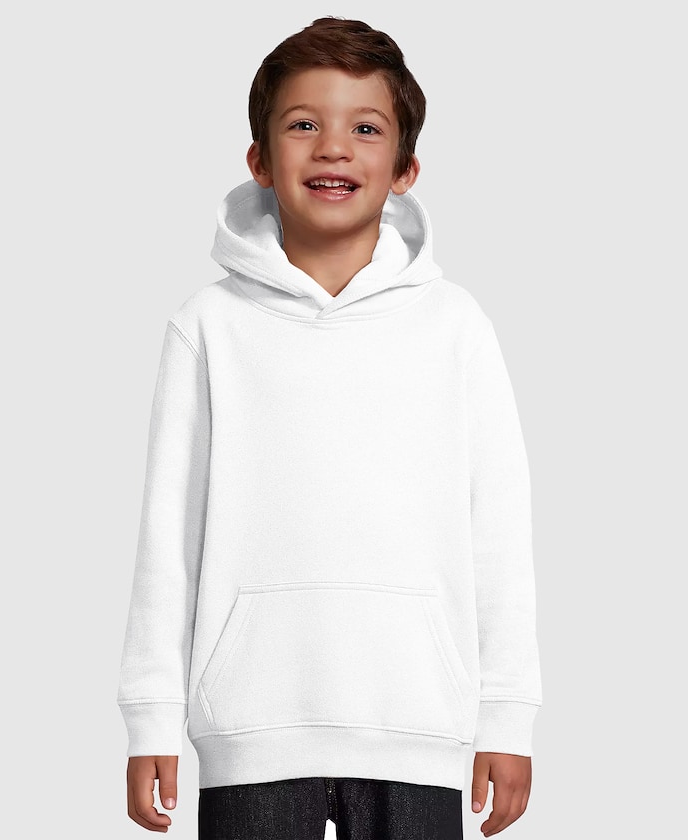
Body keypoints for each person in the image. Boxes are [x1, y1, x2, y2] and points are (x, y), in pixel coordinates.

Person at [116, 16, 543, 840]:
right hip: (252, 722)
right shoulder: (208, 327)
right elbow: (169, 532)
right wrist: (150, 714)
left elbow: (497, 528)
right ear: (259, 160)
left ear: (406, 169)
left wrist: (508, 714)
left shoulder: (455, 327)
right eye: (304, 124)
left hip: (416, 717)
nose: (335, 148)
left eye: (367, 129)